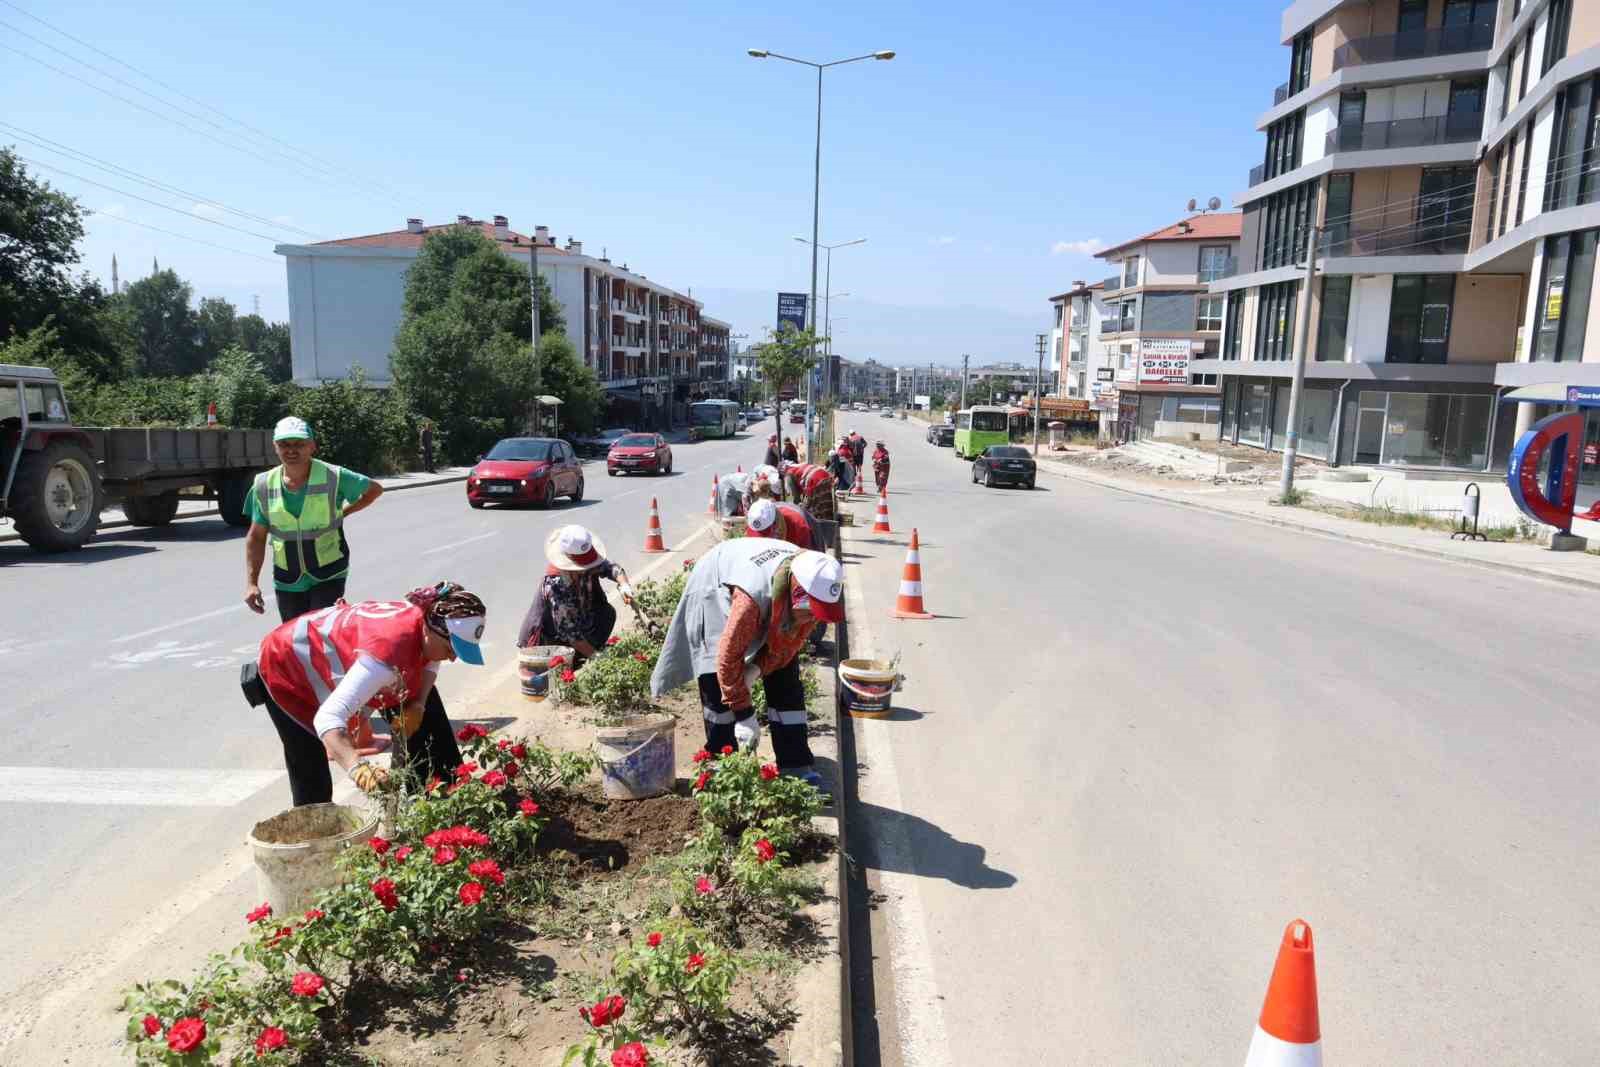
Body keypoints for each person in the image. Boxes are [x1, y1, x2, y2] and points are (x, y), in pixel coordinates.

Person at [243, 582, 485, 807]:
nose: (453, 658)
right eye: (450, 649)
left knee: (427, 719)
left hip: (357, 653)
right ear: (430, 632)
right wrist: (358, 768)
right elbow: (327, 720)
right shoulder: (385, 656)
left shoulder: (427, 620)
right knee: (310, 767)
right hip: (286, 665)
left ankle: (437, 802)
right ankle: (315, 844)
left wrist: (419, 704)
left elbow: (430, 662)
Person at [651, 539, 844, 787]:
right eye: (811, 610)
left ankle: (795, 764)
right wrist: (743, 714)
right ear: (796, 593)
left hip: (762, 581)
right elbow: (727, 657)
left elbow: (789, 644)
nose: (813, 619)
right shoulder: (750, 600)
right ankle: (723, 761)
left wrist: (758, 668)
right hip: (715, 579)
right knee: (714, 675)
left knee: (786, 682)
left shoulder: (815, 578)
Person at [244, 416, 385, 623]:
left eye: (299, 444)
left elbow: (374, 490)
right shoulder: (264, 484)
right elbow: (256, 537)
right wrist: (252, 583)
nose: (291, 450)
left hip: (329, 572)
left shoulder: (333, 475)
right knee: (294, 638)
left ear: (312, 446)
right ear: (275, 447)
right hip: (287, 577)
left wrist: (345, 512)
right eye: (284, 444)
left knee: (321, 633)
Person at [516, 526, 633, 658]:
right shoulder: (556, 585)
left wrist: (624, 585)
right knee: (567, 659)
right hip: (549, 638)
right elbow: (572, 635)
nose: (588, 569)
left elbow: (611, 568)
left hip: (578, 619)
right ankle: (579, 659)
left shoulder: (588, 560)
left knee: (606, 613)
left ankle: (586, 653)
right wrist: (597, 657)